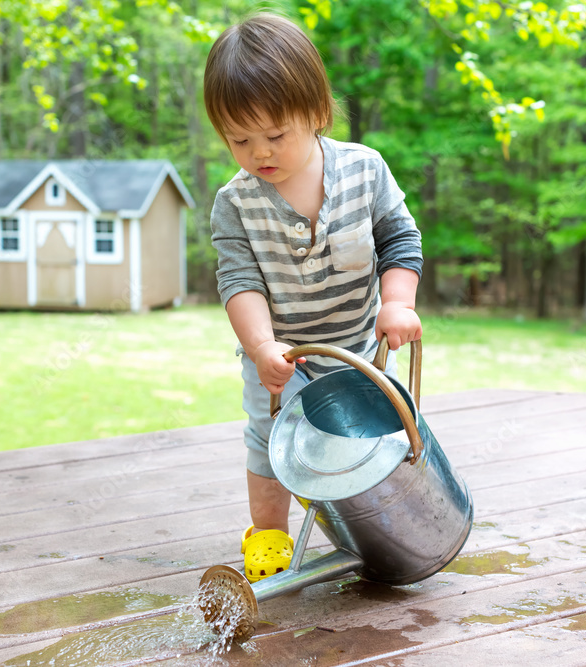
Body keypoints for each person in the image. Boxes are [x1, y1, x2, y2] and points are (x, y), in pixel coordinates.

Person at [203, 13, 424, 582]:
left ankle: (377, 522)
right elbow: (240, 281)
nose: (260, 152)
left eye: (276, 134)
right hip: (281, 357)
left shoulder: (364, 171)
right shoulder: (236, 204)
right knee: (270, 441)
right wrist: (261, 347)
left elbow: (399, 238)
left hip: (359, 349)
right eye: (239, 139)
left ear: (317, 112)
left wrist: (397, 302)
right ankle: (270, 539)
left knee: (372, 436)